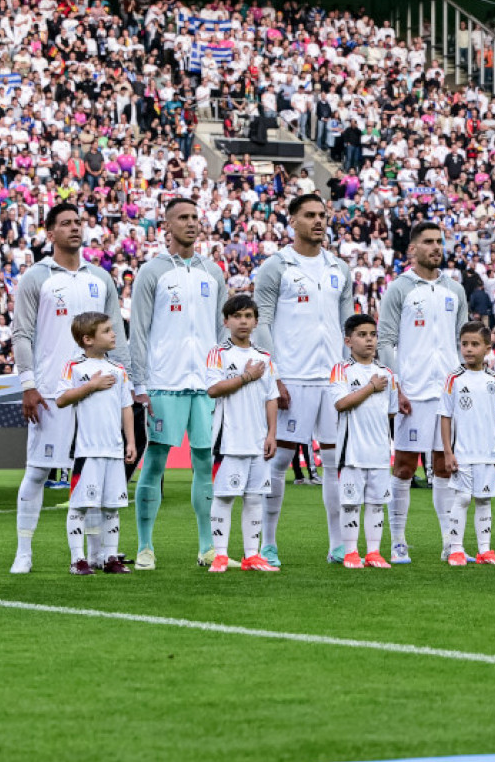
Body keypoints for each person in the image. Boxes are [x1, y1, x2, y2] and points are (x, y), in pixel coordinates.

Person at [9, 202, 126, 575]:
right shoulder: (36, 277)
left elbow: (117, 336)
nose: (75, 228)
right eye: (65, 224)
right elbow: (22, 333)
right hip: (50, 391)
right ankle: (23, 551)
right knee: (39, 470)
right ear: (50, 233)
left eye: (78, 222)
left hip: (98, 393)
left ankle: (94, 556)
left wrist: (130, 382)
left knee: (94, 471)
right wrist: (28, 384)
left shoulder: (101, 278)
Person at [253, 194, 354, 567]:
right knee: (277, 462)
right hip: (291, 378)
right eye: (309, 215)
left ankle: (338, 544)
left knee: (333, 464)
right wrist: (273, 372)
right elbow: (262, 320)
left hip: (331, 381)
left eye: (322, 215)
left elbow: (348, 328)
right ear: (292, 220)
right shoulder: (277, 266)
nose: (317, 221)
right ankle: (268, 543)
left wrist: (347, 375)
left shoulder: (338, 268)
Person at [129, 198, 228, 570]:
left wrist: (219, 375)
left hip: (204, 384)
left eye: (195, 217)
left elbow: (221, 331)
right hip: (162, 383)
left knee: (205, 462)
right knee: (154, 461)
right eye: (183, 218)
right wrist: (140, 382)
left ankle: (207, 547)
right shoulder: (151, 272)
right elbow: (137, 330)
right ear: (166, 226)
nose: (191, 223)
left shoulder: (212, 271)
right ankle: (145, 546)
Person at [377, 221, 467, 564]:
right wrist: (396, 385)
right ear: (413, 249)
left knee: (445, 467)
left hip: (446, 392)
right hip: (412, 392)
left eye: (439, 242)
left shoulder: (453, 290)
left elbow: (463, 341)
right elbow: (385, 339)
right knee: (403, 466)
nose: (435, 247)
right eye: (428, 242)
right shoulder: (399, 289)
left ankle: (450, 543)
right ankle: (398, 540)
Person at [54, 312, 136, 576]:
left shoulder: (119, 370)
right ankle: (78, 560)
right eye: (107, 331)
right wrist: (92, 385)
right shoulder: (75, 368)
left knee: (112, 507)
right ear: (87, 339)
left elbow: (126, 407)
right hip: (87, 451)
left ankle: (111, 557)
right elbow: (61, 399)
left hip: (113, 449)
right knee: (79, 506)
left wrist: (130, 441)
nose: (113, 334)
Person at [203, 295, 280, 573]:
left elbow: (271, 398)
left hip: (258, 440)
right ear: (226, 321)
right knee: (224, 497)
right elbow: (212, 389)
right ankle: (221, 555)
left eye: (248, 316)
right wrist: (246, 377)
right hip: (229, 439)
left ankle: (252, 555)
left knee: (255, 498)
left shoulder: (265, 358)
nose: (243, 321)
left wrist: (272, 433)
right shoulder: (218, 354)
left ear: (256, 321)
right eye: (237, 316)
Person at [438, 322, 495, 566]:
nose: (468, 349)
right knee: (463, 499)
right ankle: (456, 549)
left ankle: (485, 551)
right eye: (464, 344)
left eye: (474, 344)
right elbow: (445, 417)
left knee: (484, 500)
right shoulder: (454, 379)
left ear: (488, 348)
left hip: (488, 453)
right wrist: (448, 452)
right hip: (463, 452)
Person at [330, 314, 398, 570]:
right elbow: (340, 403)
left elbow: (391, 412)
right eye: (362, 335)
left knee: (376, 503)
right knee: (350, 504)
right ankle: (350, 553)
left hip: (379, 451)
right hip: (352, 451)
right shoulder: (342, 370)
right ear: (348, 340)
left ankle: (373, 552)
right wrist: (370, 387)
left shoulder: (387, 374)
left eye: (372, 335)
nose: (369, 340)